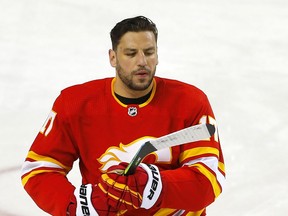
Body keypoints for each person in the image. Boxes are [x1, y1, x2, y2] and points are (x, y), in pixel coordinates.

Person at [21, 16, 225, 216]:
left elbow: (209, 179)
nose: (142, 62)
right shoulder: (74, 103)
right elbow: (40, 169)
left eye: (149, 52)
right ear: (112, 57)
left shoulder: (190, 101)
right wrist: (76, 205)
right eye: (131, 53)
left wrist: (152, 185)